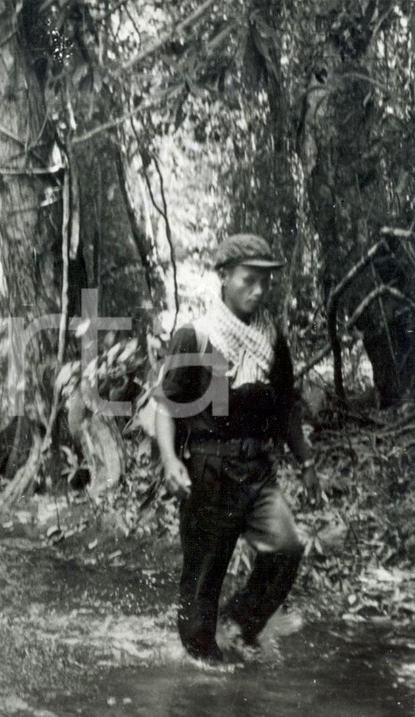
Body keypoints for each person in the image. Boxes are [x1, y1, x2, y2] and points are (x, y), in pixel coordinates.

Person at [155, 233, 320, 663]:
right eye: (250, 279)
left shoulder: (271, 339)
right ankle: (201, 665)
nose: (259, 290)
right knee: (203, 580)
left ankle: (240, 623)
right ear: (224, 277)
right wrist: (171, 461)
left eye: (266, 281)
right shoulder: (195, 337)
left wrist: (305, 460)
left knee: (286, 547)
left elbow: (286, 406)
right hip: (208, 472)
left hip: (257, 470)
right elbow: (166, 408)